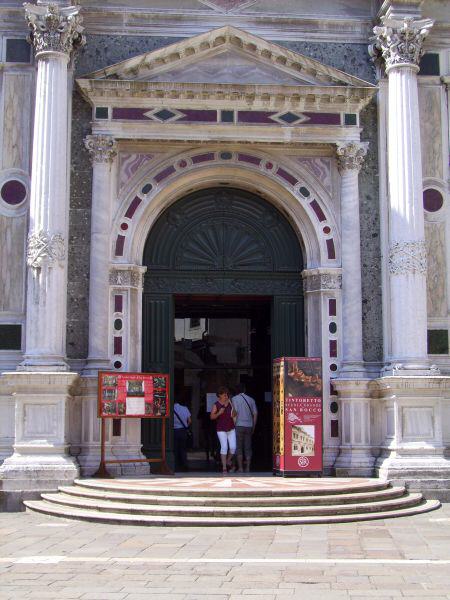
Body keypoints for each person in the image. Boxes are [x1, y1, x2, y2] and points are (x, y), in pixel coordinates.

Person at [210, 386, 236, 475]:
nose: (226, 396)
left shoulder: (230, 402)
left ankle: (228, 460)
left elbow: (235, 413)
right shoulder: (216, 404)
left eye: (226, 394)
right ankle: (224, 467)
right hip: (221, 429)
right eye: (224, 394)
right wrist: (219, 413)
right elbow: (212, 417)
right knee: (224, 447)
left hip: (231, 428)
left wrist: (234, 411)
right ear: (219, 395)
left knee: (233, 447)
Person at [232, 383, 258, 473]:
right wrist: (253, 426)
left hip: (239, 425)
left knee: (239, 447)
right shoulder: (251, 399)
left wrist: (234, 424)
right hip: (249, 425)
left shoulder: (234, 399)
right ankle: (248, 467)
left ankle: (240, 468)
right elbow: (255, 414)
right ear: (244, 389)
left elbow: (234, 413)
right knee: (248, 447)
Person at [173, 398, 191, 472]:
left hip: (174, 431)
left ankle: (175, 466)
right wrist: (186, 426)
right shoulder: (185, 408)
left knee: (175, 449)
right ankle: (184, 465)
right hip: (183, 430)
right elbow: (190, 421)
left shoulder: (171, 409)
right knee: (183, 449)